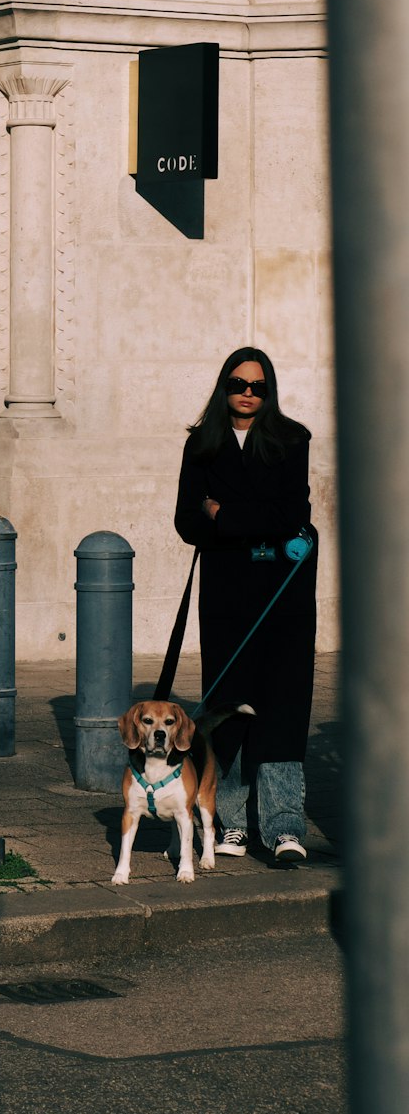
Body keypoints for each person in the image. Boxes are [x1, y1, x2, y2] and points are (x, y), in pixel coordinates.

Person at [174, 346, 317, 868]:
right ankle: (231, 824)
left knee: (282, 706)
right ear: (224, 386)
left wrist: (225, 515)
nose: (248, 393)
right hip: (227, 593)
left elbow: (292, 514)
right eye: (238, 383)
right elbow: (188, 520)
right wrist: (242, 519)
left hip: (283, 593)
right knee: (230, 708)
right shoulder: (202, 445)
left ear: (269, 389)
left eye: (258, 385)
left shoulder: (291, 439)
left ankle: (283, 828)